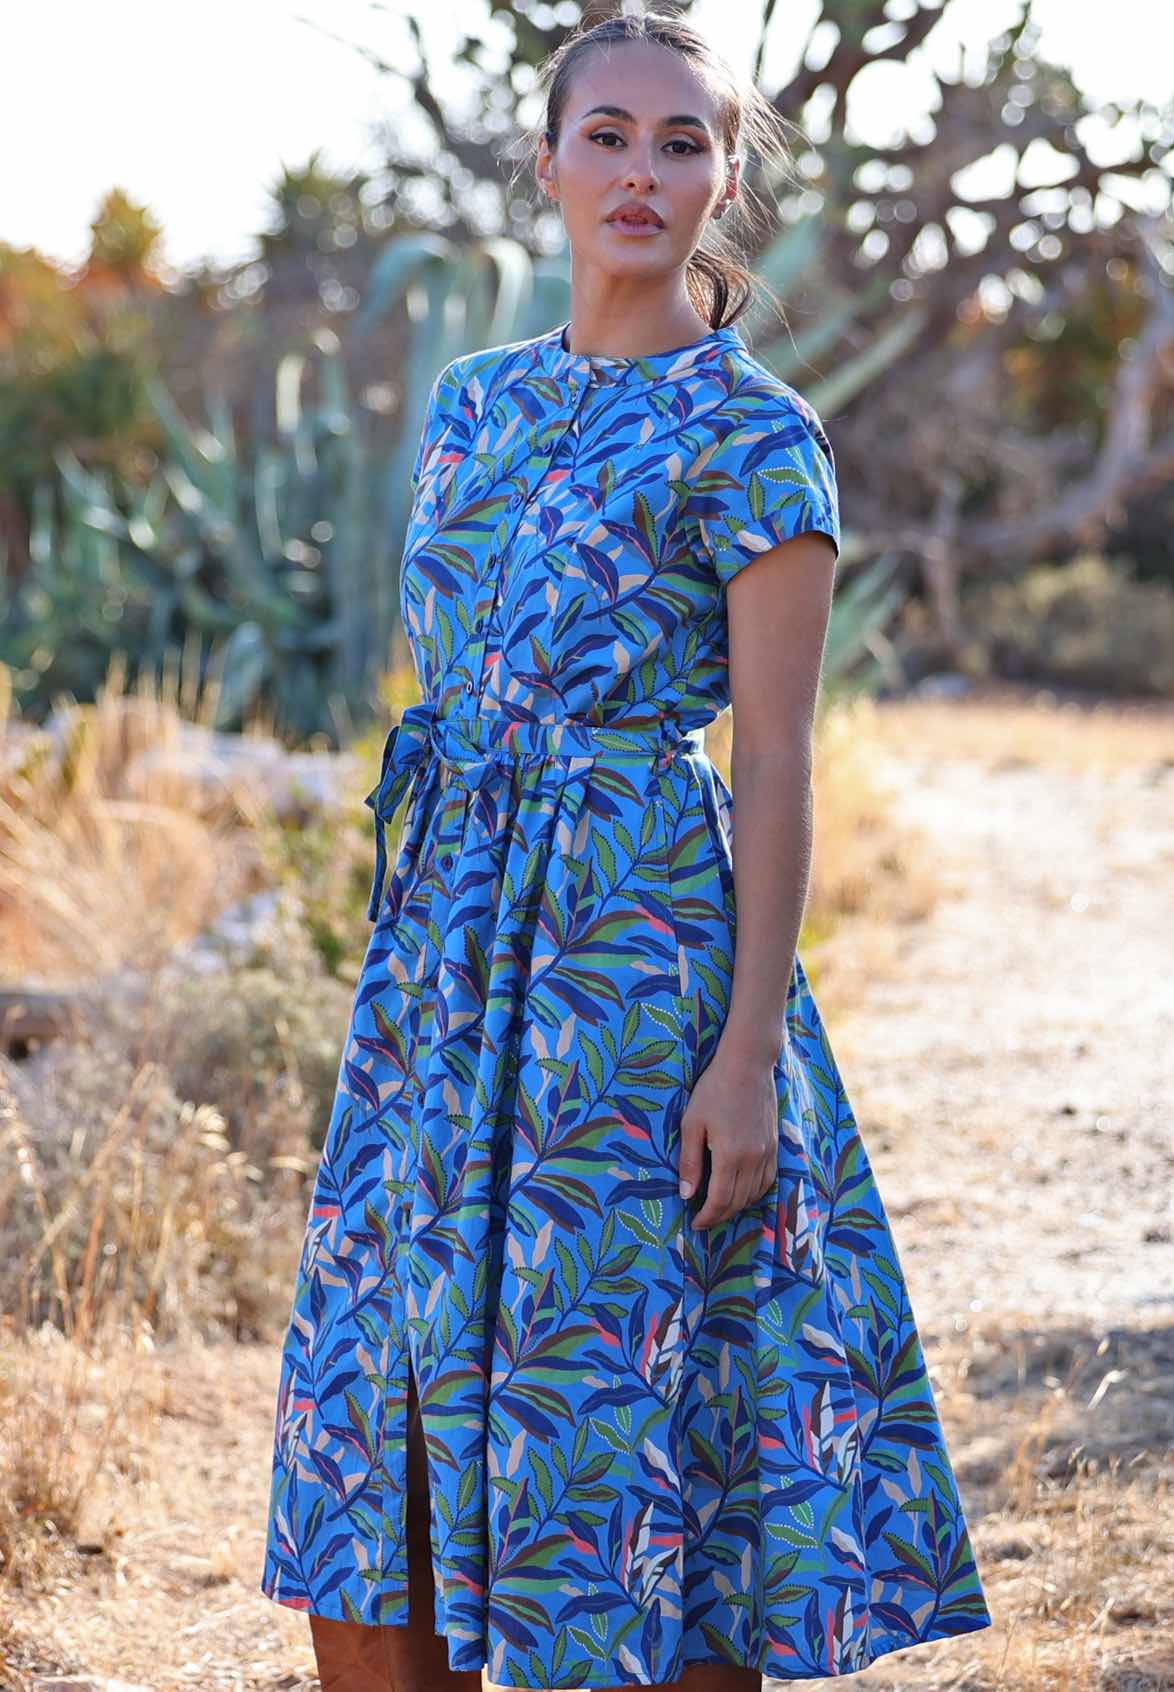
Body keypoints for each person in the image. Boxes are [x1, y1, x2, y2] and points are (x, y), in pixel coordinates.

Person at [260, 12, 992, 1691]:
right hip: (439, 988)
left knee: (613, 1407)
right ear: (548, 159)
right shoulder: (469, 405)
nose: (643, 173)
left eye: (682, 143)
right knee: (383, 1403)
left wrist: (747, 1060)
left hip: (630, 976)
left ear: (726, 178)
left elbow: (780, 765)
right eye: (610, 135)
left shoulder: (752, 437)